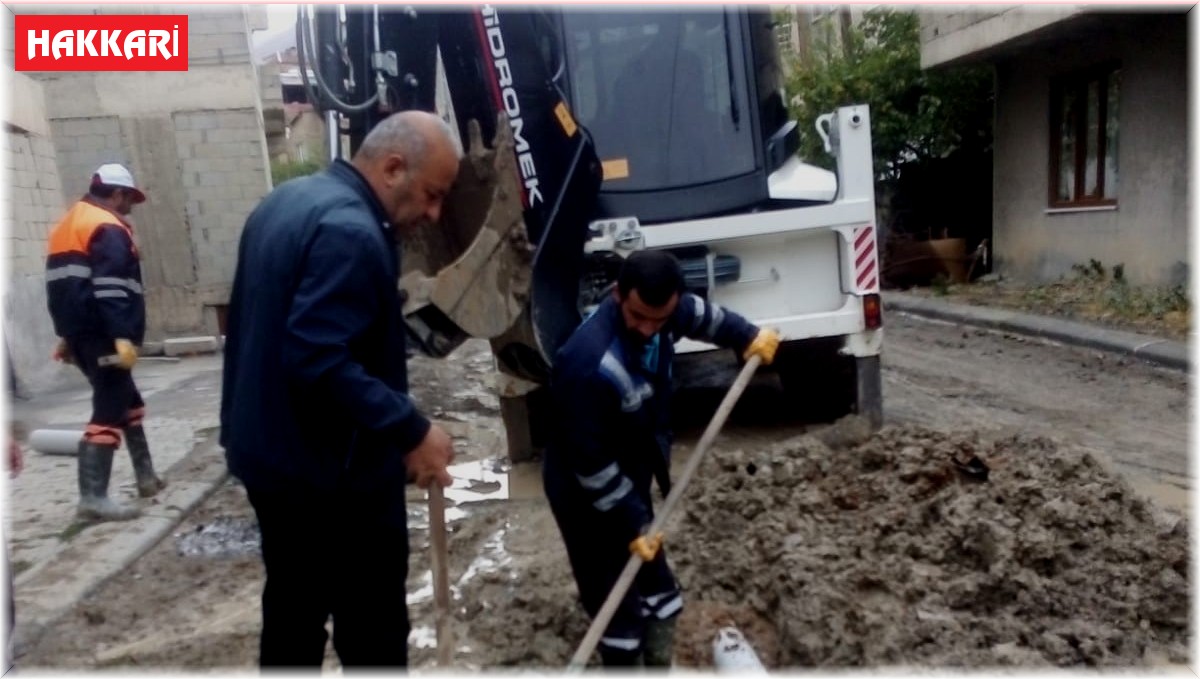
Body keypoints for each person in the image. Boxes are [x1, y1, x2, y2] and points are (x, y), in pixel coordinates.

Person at [220, 110, 460, 669]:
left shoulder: (285, 202)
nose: (433, 214)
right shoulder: (352, 232)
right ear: (393, 168)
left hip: (271, 459)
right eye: (431, 195)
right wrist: (410, 429)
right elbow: (316, 355)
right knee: (372, 627)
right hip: (330, 478)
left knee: (293, 612)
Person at [543, 250, 780, 667]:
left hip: (629, 469)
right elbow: (592, 466)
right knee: (617, 614)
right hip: (583, 493)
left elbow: (704, 317)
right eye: (638, 317)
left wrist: (747, 336)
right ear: (618, 295)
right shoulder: (588, 364)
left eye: (659, 319)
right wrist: (635, 522)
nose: (648, 329)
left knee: (661, 596)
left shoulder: (664, 312)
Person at [45, 163, 166, 522]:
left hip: (82, 333)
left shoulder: (69, 224)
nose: (131, 206)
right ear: (116, 194)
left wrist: (67, 336)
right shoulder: (107, 227)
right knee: (110, 407)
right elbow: (110, 288)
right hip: (105, 334)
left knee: (129, 400)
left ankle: (146, 477)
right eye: (129, 199)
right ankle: (93, 498)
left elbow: (63, 289)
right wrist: (122, 336)